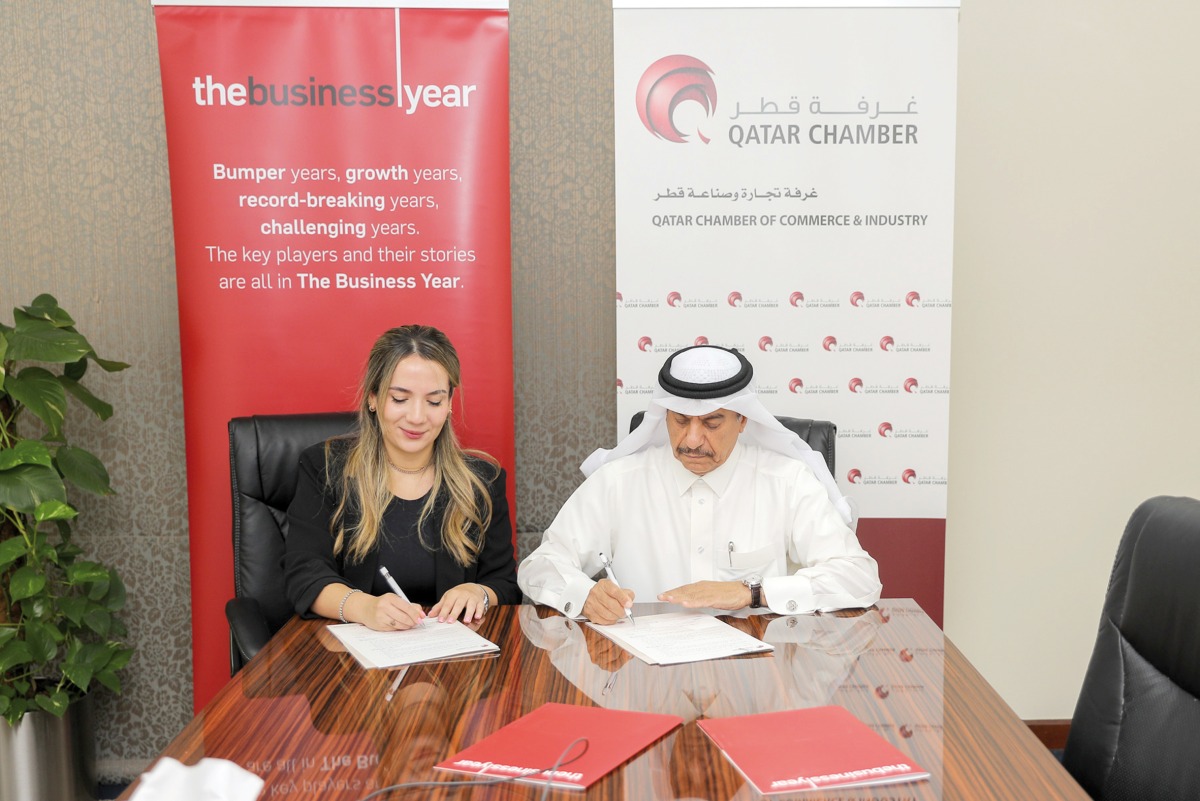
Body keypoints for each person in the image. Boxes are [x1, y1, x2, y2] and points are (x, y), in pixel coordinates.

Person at [518, 344, 881, 624]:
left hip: (754, 683)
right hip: (647, 680)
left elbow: (859, 577)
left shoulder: (786, 482)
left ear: (742, 420)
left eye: (711, 423)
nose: (691, 440)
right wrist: (584, 595)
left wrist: (752, 593)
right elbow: (540, 566)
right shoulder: (619, 481)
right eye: (679, 421)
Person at [285, 325, 519, 631]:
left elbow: (504, 583)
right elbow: (304, 575)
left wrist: (479, 593)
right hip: (349, 661)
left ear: (449, 404)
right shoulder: (326, 468)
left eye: (434, 401)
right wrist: (365, 607)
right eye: (400, 399)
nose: (417, 417)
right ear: (373, 398)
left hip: (451, 659)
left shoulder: (481, 481)